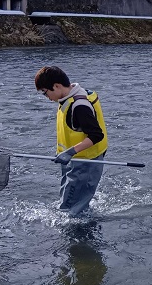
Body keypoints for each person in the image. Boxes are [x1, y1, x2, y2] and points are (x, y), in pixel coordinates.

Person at [35, 66, 108, 216]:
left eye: (45, 92)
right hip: (73, 161)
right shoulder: (68, 97)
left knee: (69, 211)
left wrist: (70, 152)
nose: (46, 97)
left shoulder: (80, 106)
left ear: (57, 86)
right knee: (70, 204)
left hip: (85, 162)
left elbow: (96, 135)